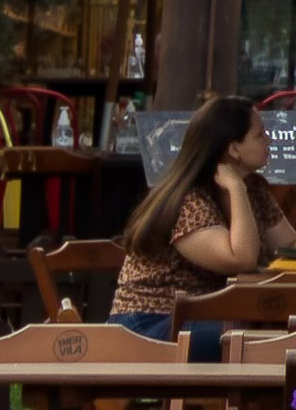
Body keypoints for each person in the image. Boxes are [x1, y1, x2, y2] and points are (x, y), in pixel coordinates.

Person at [107, 95, 286, 342]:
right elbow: (241, 259)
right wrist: (235, 189)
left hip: (205, 317)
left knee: (284, 330)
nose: (269, 140)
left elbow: (291, 245)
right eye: (260, 134)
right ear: (234, 149)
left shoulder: (254, 188)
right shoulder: (187, 200)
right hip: (148, 322)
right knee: (248, 340)